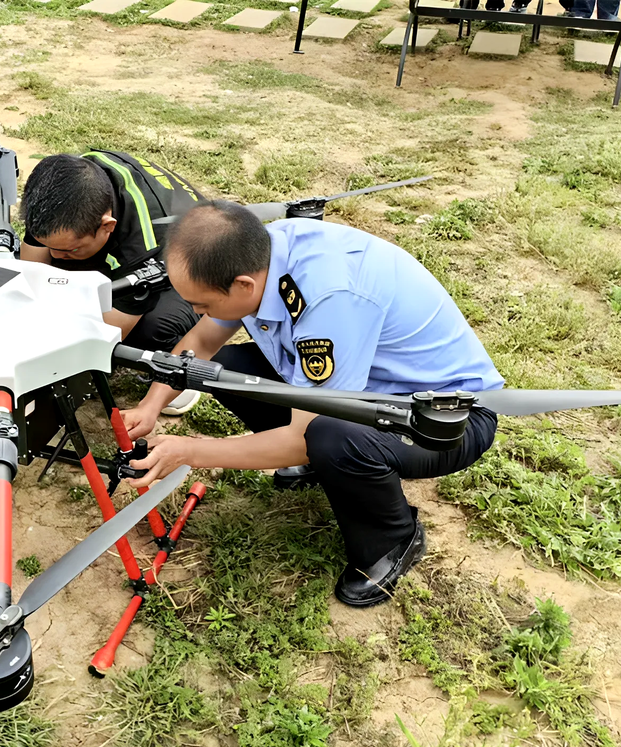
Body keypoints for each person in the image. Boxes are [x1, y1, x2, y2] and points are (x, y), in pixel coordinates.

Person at [121, 201, 504, 607]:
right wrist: (150, 405)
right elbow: (201, 342)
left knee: (329, 437)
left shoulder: (328, 299)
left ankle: (392, 540)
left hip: (443, 419)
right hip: (367, 391)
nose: (197, 312)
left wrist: (188, 451)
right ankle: (321, 466)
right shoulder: (260, 255)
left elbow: (302, 438)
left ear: (243, 286)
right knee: (226, 370)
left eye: (203, 305)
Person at [19, 152, 204, 415]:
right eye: (50, 246)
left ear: (107, 226)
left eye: (69, 249)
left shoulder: (144, 244)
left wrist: (50, 371)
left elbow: (110, 331)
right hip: (119, 244)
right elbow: (31, 273)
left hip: (189, 266)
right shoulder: (59, 191)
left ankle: (177, 366)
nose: (56, 256)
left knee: (148, 329)